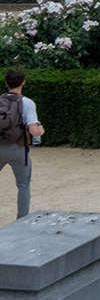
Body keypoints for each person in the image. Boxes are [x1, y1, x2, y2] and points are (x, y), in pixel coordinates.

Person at [0, 69, 43, 219]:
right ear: (23, 82)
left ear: (6, 83)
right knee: (23, 186)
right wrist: (41, 130)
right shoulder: (27, 102)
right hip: (18, 148)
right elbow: (33, 130)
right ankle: (21, 220)